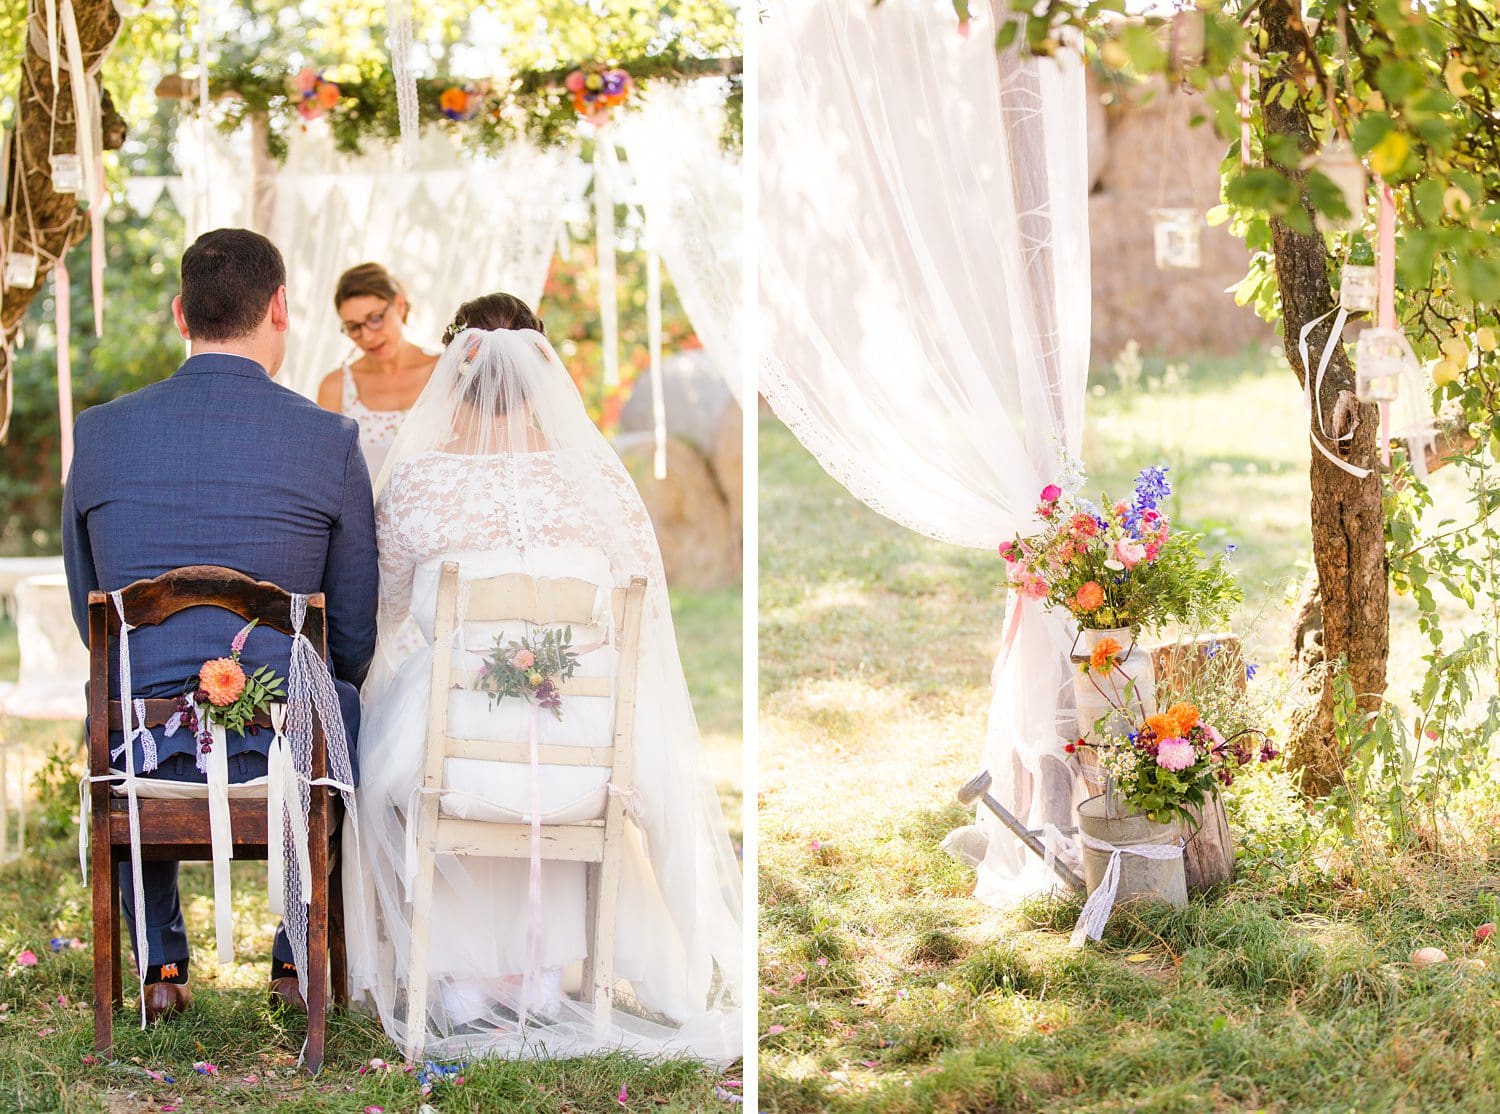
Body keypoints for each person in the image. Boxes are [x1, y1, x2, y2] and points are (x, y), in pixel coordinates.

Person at [343, 293, 743, 1061]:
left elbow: (383, 623)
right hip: (587, 765)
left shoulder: (419, 485)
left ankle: (456, 972)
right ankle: (542, 974)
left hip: (456, 766)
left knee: (389, 750)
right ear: (543, 369)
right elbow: (645, 618)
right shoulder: (597, 481)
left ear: (455, 374)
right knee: (544, 737)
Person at [62, 228, 378, 1023]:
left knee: (125, 696)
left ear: (180, 314)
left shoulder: (99, 435)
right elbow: (354, 626)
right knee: (341, 696)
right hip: (283, 746)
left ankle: (163, 966)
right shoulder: (330, 440)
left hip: (140, 742)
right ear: (279, 307)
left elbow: (87, 606)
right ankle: (290, 958)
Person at [316, 263, 440, 478]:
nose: (368, 337)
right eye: (354, 327)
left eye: (375, 319)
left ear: (399, 306)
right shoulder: (336, 387)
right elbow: (323, 473)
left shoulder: (445, 370)